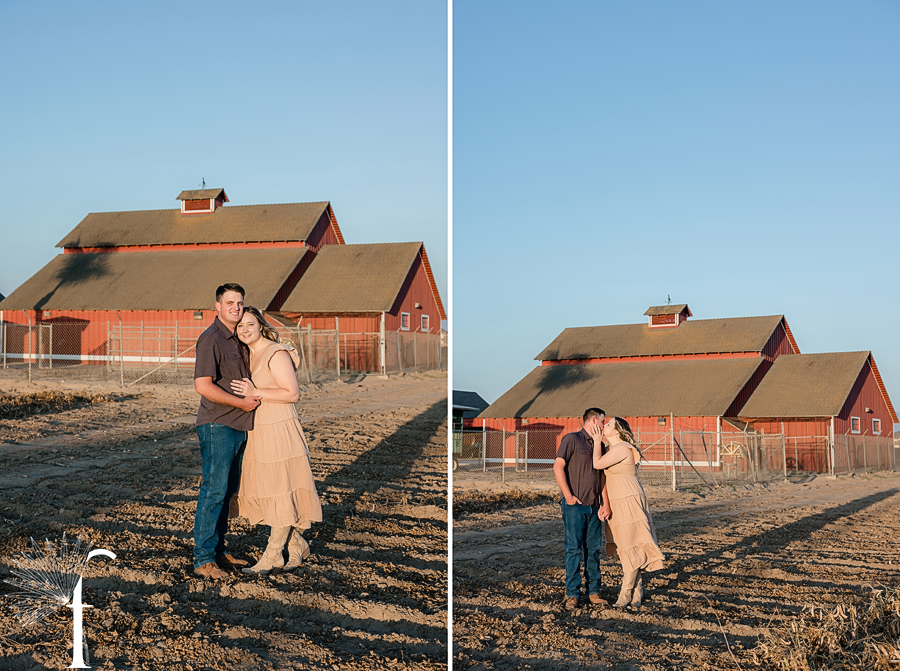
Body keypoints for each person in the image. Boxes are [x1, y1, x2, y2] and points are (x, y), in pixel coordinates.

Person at [228, 306, 323, 575]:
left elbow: (292, 393)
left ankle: (271, 556)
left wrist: (255, 390)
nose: (244, 330)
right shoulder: (248, 354)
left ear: (260, 325)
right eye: (239, 326)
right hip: (259, 429)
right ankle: (296, 546)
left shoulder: (275, 352)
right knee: (270, 492)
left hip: (279, 428)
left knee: (280, 490)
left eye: (249, 324)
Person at [193, 283, 261, 579]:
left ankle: (219, 552)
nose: (236, 307)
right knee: (214, 491)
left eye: (240, 303)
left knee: (226, 492)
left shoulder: (238, 338)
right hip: (218, 423)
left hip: (238, 424)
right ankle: (203, 559)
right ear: (217, 307)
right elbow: (203, 386)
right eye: (230, 302)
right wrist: (241, 403)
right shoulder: (210, 339)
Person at [590, 416, 664, 608]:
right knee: (627, 547)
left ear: (616, 431)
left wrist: (597, 441)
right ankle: (638, 590)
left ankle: (625, 594)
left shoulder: (622, 448)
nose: (603, 425)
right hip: (616, 500)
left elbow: (597, 464)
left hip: (628, 498)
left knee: (632, 544)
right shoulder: (611, 449)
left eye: (608, 424)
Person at [553, 407, 610, 610]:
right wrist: (568, 497)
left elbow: (601, 476)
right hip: (575, 507)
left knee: (593, 551)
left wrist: (605, 503)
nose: (604, 425)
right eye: (603, 421)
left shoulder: (600, 445)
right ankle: (572, 594)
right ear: (593, 421)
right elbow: (558, 466)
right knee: (574, 550)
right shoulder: (572, 439)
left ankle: (594, 592)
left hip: (595, 507)